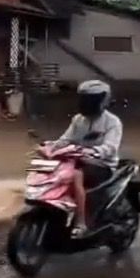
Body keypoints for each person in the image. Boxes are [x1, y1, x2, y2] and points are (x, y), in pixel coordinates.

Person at [46, 80, 123, 238]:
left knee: (76, 175)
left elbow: (110, 148)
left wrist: (93, 151)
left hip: (101, 164)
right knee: (50, 171)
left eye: (90, 100)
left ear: (102, 101)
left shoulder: (112, 122)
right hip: (78, 160)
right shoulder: (78, 120)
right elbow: (66, 139)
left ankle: (81, 223)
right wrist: (50, 146)